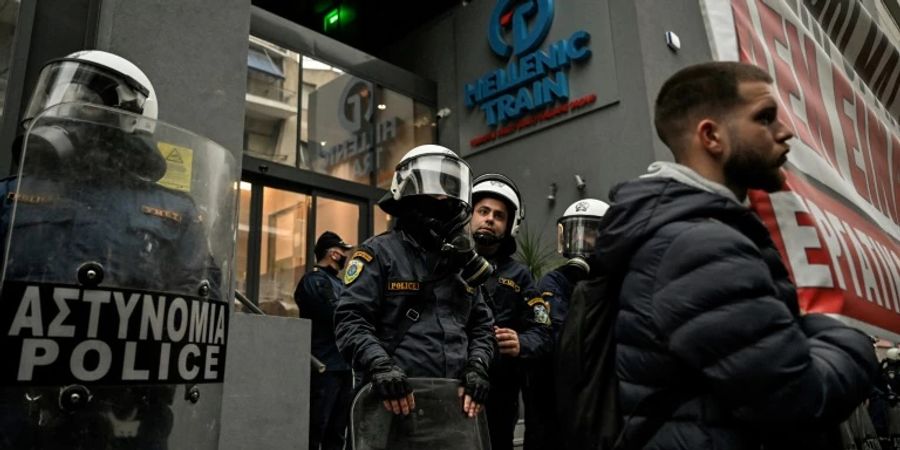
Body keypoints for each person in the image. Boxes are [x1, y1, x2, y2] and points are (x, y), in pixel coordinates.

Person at [594, 61, 878, 448]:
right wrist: (853, 342)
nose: (786, 131)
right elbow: (798, 400)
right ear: (711, 136)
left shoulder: (696, 234)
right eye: (765, 117)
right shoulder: (700, 247)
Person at [0, 51, 233, 450]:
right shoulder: (12, 195)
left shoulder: (175, 212)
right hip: (17, 412)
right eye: (60, 97)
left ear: (131, 115)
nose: (64, 111)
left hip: (128, 414)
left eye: (81, 102)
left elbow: (196, 301)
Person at [334, 145, 495, 427]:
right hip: (393, 406)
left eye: (449, 187)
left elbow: (482, 325)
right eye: (434, 186)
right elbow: (351, 319)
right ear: (408, 191)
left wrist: (477, 366)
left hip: (452, 410)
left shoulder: (459, 263)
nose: (443, 196)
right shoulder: (379, 253)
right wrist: (379, 365)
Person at [468, 173, 552, 450]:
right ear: (469, 215)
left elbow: (543, 329)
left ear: (509, 225)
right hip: (450, 386)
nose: (490, 219)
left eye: (499, 215)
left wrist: (521, 342)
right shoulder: (446, 264)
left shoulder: (521, 275)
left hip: (499, 394)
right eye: (483, 211)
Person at [524, 198, 608, 450]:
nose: (582, 242)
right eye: (575, 233)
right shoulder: (554, 282)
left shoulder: (611, 283)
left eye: (591, 233)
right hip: (551, 401)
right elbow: (552, 333)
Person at [295, 231, 354, 450]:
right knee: (317, 428)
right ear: (333, 254)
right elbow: (336, 315)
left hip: (342, 366)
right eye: (343, 252)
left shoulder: (338, 283)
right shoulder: (314, 280)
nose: (347, 256)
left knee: (338, 431)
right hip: (324, 367)